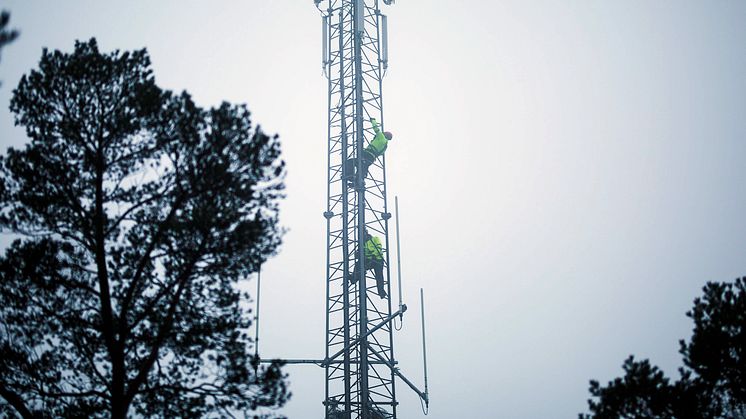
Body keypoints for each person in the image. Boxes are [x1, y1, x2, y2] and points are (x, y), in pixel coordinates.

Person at [345, 117, 393, 184]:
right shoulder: (385, 146)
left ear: (385, 135)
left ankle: (350, 176)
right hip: (372, 158)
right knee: (362, 167)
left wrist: (373, 120)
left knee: (351, 162)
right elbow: (381, 153)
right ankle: (358, 181)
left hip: (367, 153)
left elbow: (376, 128)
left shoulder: (381, 137)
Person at [350, 230, 387, 299]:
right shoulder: (363, 243)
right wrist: (358, 254)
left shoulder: (375, 239)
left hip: (378, 259)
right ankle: (354, 278)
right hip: (370, 260)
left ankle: (381, 292)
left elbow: (378, 248)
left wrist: (373, 256)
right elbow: (362, 253)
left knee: (379, 275)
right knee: (358, 265)